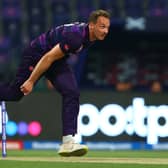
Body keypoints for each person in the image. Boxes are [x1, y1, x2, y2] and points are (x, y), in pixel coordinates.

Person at [0, 9, 111, 156]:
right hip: (37, 54)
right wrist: (31, 81)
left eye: (107, 27)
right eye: (102, 27)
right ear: (91, 25)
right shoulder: (76, 37)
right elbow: (48, 57)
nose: (106, 31)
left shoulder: (91, 37)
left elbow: (56, 57)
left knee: (72, 92)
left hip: (56, 59)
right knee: (15, 94)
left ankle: (68, 142)